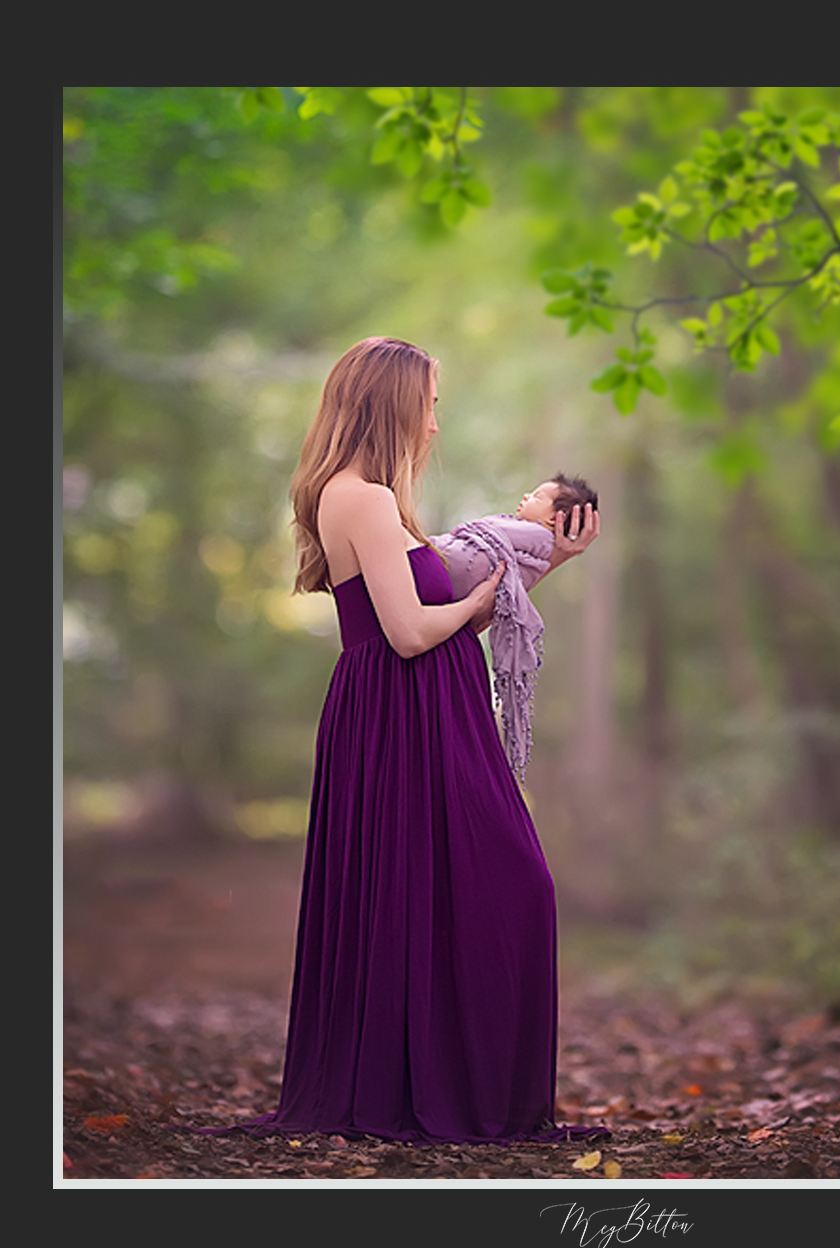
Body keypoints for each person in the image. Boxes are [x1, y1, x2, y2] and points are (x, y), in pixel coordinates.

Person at [236, 337, 602, 1144]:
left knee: (450, 893)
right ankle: (452, 1095)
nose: (435, 425)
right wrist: (474, 615)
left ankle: (457, 1089)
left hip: (429, 710)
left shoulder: (379, 500)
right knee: (512, 884)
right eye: (430, 404)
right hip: (401, 712)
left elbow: (467, 593)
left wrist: (554, 562)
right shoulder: (358, 497)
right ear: (395, 403)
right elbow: (407, 633)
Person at [429, 474, 600, 784]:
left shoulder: (536, 539)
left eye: (536, 497)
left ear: (555, 519)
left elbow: (503, 591)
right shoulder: (526, 545)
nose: (525, 496)